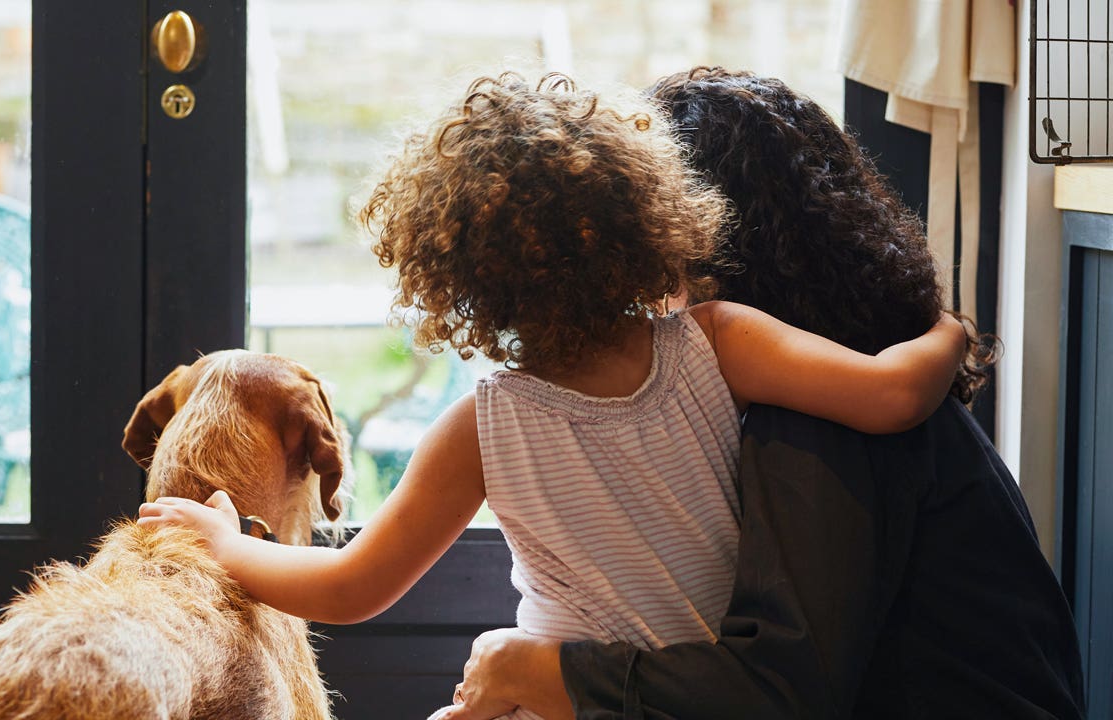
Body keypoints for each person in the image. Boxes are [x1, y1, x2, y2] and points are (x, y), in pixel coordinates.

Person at [136, 71, 966, 719]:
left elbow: (354, 585)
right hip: (687, 702)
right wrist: (948, 330)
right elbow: (894, 396)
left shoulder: (482, 426)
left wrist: (222, 541)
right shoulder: (719, 340)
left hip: (563, 700)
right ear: (652, 214)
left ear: (458, 279)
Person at [434, 68, 1087, 720]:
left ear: (705, 233)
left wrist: (532, 667)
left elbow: (775, 695)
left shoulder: (813, 417)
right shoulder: (844, 368)